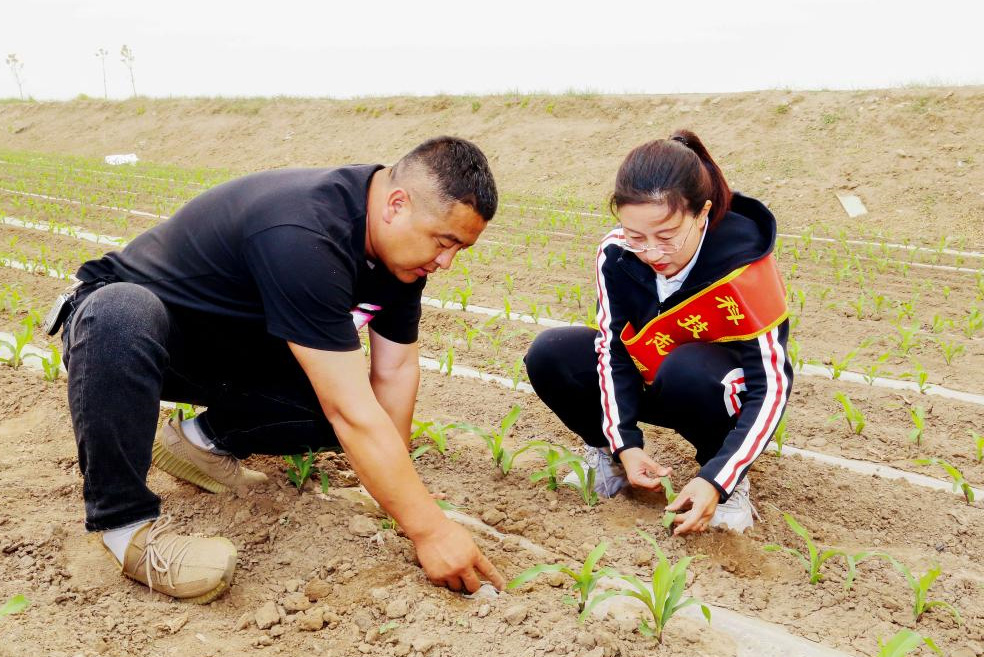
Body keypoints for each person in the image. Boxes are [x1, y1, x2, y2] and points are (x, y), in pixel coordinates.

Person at [55, 136, 506, 603]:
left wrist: (396, 500)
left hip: (228, 348)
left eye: (460, 250)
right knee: (120, 309)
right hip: (130, 336)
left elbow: (394, 372)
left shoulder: (402, 262)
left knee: (345, 400)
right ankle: (125, 529)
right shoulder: (305, 230)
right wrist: (430, 530)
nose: (446, 263)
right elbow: (352, 412)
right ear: (396, 204)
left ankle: (198, 444)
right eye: (444, 242)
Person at [525, 130, 792, 535]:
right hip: (648, 377)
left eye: (666, 236)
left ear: (701, 214)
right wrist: (625, 444)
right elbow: (613, 351)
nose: (650, 252)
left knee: (688, 367)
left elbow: (771, 385)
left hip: (712, 389)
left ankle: (728, 483)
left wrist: (718, 478)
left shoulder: (743, 268)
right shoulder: (615, 254)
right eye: (636, 236)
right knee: (551, 353)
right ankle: (608, 458)